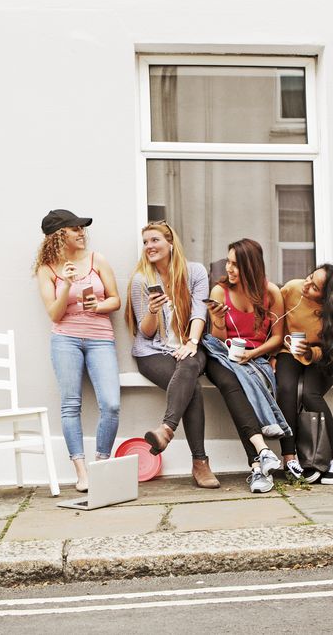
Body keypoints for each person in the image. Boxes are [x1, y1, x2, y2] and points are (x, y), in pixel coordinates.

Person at [126, 221, 220, 489]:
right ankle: (200, 463)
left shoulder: (195, 272)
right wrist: (153, 311)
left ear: (170, 242)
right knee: (192, 388)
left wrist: (192, 341)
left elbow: (199, 313)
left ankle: (166, 430)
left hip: (191, 346)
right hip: (153, 352)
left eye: (154, 240)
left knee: (189, 365)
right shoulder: (141, 280)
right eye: (145, 242)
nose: (148, 247)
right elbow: (144, 334)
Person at [34, 209, 122, 492]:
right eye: (76, 229)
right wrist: (67, 285)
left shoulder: (98, 260)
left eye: (83, 228)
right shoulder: (47, 270)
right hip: (66, 340)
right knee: (71, 405)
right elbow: (55, 314)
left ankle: (100, 464)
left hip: (100, 339)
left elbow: (115, 300)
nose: (82, 233)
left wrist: (100, 306)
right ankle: (82, 473)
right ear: (60, 236)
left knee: (111, 404)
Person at [202, 239, 291, 493]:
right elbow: (218, 340)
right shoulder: (220, 292)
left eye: (234, 264)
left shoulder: (271, 292)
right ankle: (261, 455)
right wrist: (218, 320)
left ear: (250, 266)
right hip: (222, 355)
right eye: (228, 261)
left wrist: (254, 353)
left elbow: (276, 337)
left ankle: (258, 467)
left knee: (240, 384)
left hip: (254, 357)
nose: (228, 268)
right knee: (233, 383)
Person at [275, 264, 333, 485]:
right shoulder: (293, 289)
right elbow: (274, 321)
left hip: (327, 356)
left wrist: (312, 352)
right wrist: (272, 355)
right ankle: (289, 458)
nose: (306, 285)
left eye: (314, 287)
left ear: (328, 298)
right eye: (309, 277)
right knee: (286, 389)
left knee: (309, 395)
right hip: (290, 350)